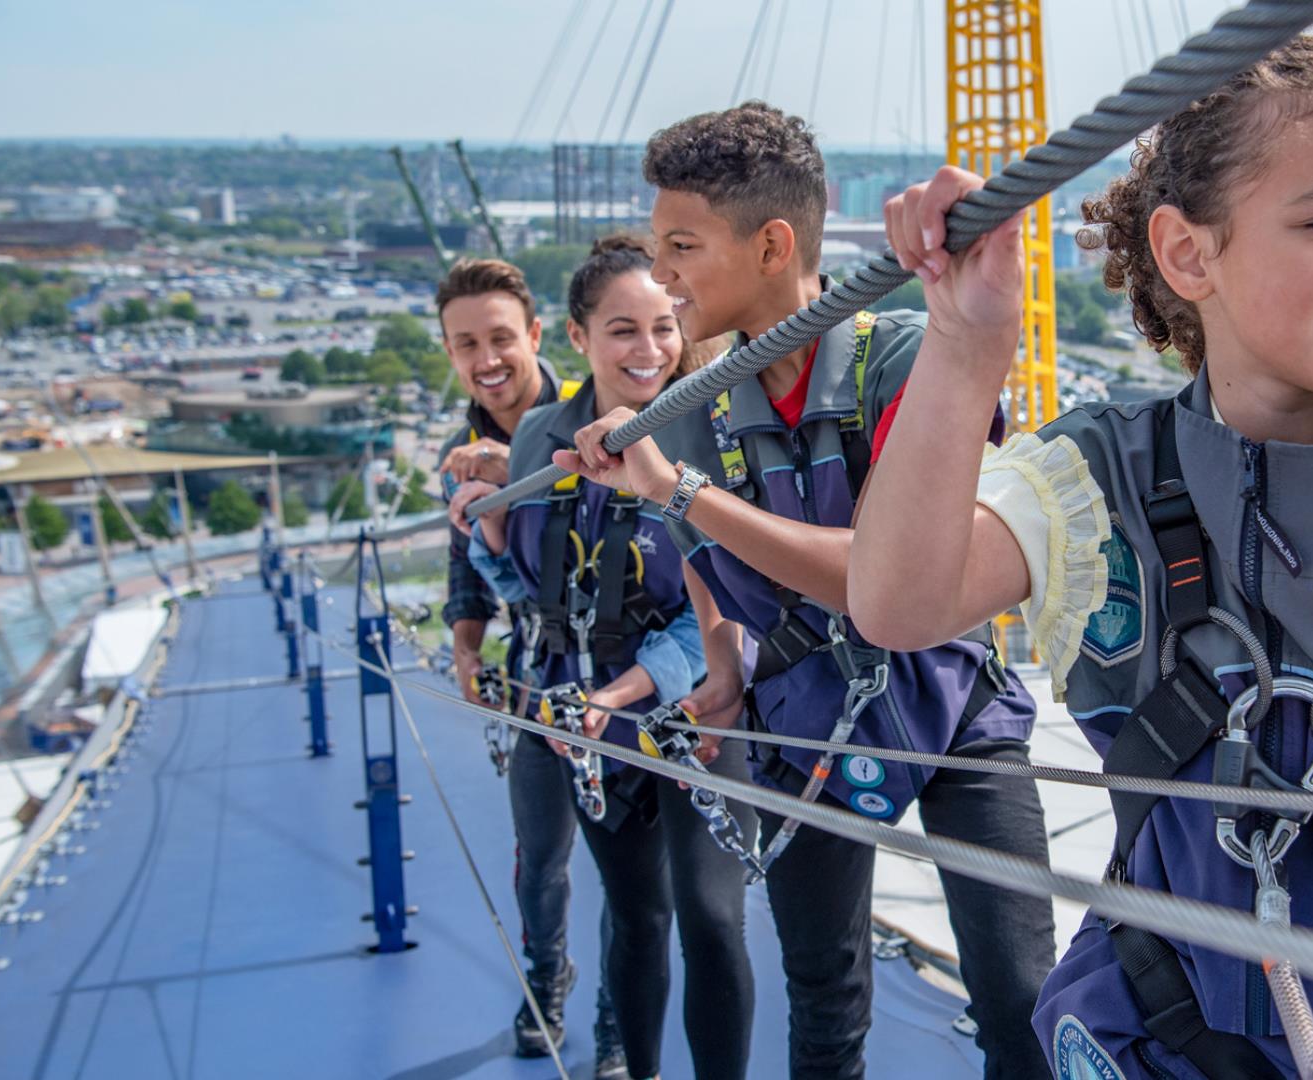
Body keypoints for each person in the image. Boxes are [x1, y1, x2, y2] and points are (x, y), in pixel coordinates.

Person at [850, 32, 1313, 1080]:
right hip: (1145, 1030)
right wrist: (965, 346)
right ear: (1187, 252)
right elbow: (899, 600)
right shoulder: (1097, 475)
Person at [552, 102, 1056, 1080]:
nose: (663, 277)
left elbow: (882, 580)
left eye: (682, 247)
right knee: (823, 998)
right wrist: (727, 665)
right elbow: (701, 558)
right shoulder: (695, 403)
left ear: (774, 244)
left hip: (953, 704)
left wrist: (679, 489)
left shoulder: (906, 355)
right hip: (801, 714)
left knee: (1019, 999)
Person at [453, 234, 756, 1080]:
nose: (650, 350)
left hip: (693, 709)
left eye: (665, 326)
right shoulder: (541, 442)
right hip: (586, 719)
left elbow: (734, 596)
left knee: (709, 917)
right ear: (579, 339)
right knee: (635, 916)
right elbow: (535, 583)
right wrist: (486, 529)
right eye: (623, 330)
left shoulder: (717, 429)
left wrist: (630, 685)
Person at [430, 257, 624, 1072]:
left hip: (621, 668)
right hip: (541, 663)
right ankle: (548, 975)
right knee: (538, 855)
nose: (487, 360)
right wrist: (466, 637)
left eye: (501, 338)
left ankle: (623, 1007)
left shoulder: (589, 419)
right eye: (465, 344)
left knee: (627, 871)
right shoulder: (462, 446)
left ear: (538, 336)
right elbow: (466, 557)